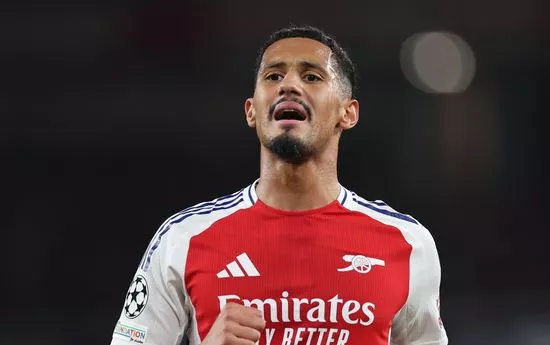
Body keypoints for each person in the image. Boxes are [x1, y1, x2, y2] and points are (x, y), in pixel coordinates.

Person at [110, 25, 448, 345]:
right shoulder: (181, 239)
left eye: (312, 76)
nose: (288, 85)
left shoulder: (407, 244)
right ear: (251, 111)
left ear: (348, 113)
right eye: (273, 76)